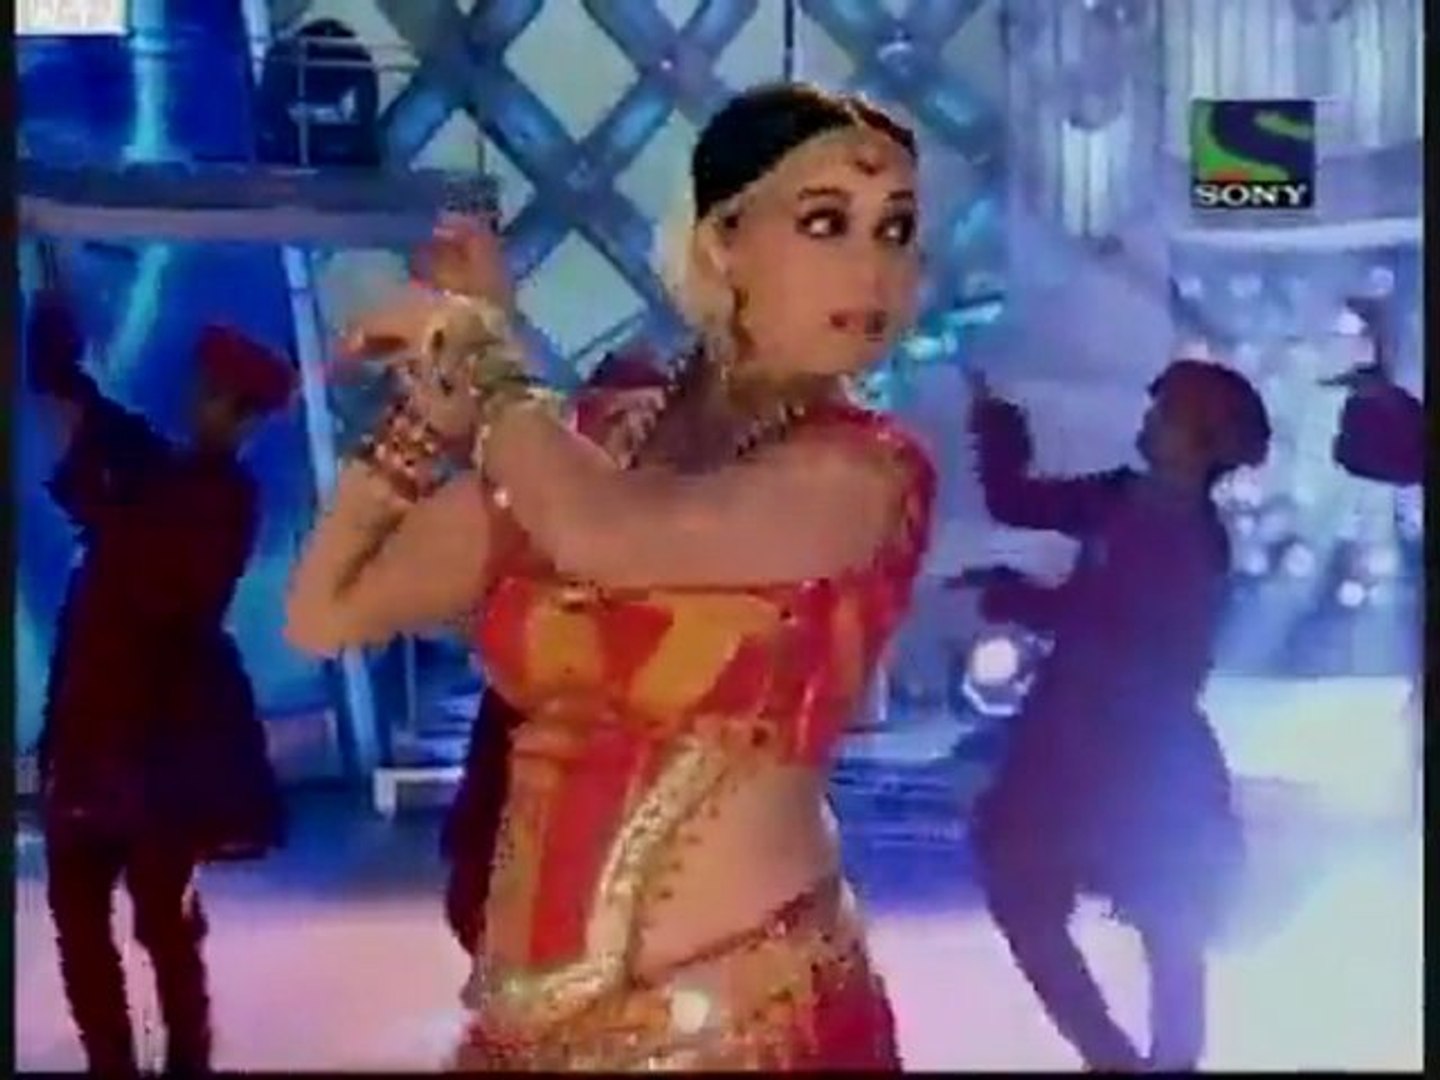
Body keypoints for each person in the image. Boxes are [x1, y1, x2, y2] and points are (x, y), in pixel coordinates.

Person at [286, 81, 934, 1070]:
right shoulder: (598, 438)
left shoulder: (864, 474)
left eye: (896, 229)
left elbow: (609, 533)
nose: (873, 267)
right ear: (723, 241)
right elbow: (329, 609)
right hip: (525, 1036)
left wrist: (482, 352)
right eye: (825, 222)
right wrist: (428, 419)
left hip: (752, 1033)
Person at [958, 354, 1270, 1071]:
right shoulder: (1120, 497)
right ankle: (1117, 1060)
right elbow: (1018, 502)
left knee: (1165, 912)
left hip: (1136, 746)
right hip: (1077, 731)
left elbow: (1121, 629)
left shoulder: (1190, 539)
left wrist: (1018, 597)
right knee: (1035, 896)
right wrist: (996, 421)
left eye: (1165, 415)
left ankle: (1166, 1062)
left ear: (1200, 440)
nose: (1148, 423)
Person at [28, 291, 292, 1074]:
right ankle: (113, 1061)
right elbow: (79, 409)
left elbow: (165, 584)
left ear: (244, 417)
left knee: (162, 919)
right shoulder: (157, 468)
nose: (202, 402)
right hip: (96, 728)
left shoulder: (225, 499)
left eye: (220, 396)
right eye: (205, 388)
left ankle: (187, 1059)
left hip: (163, 745)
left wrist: (107, 499)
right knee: (81, 917)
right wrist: (56, 349)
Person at [440, 345, 667, 957]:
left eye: (645, 422)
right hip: (536, 735)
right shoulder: (534, 515)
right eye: (616, 420)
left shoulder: (693, 527)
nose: (629, 439)